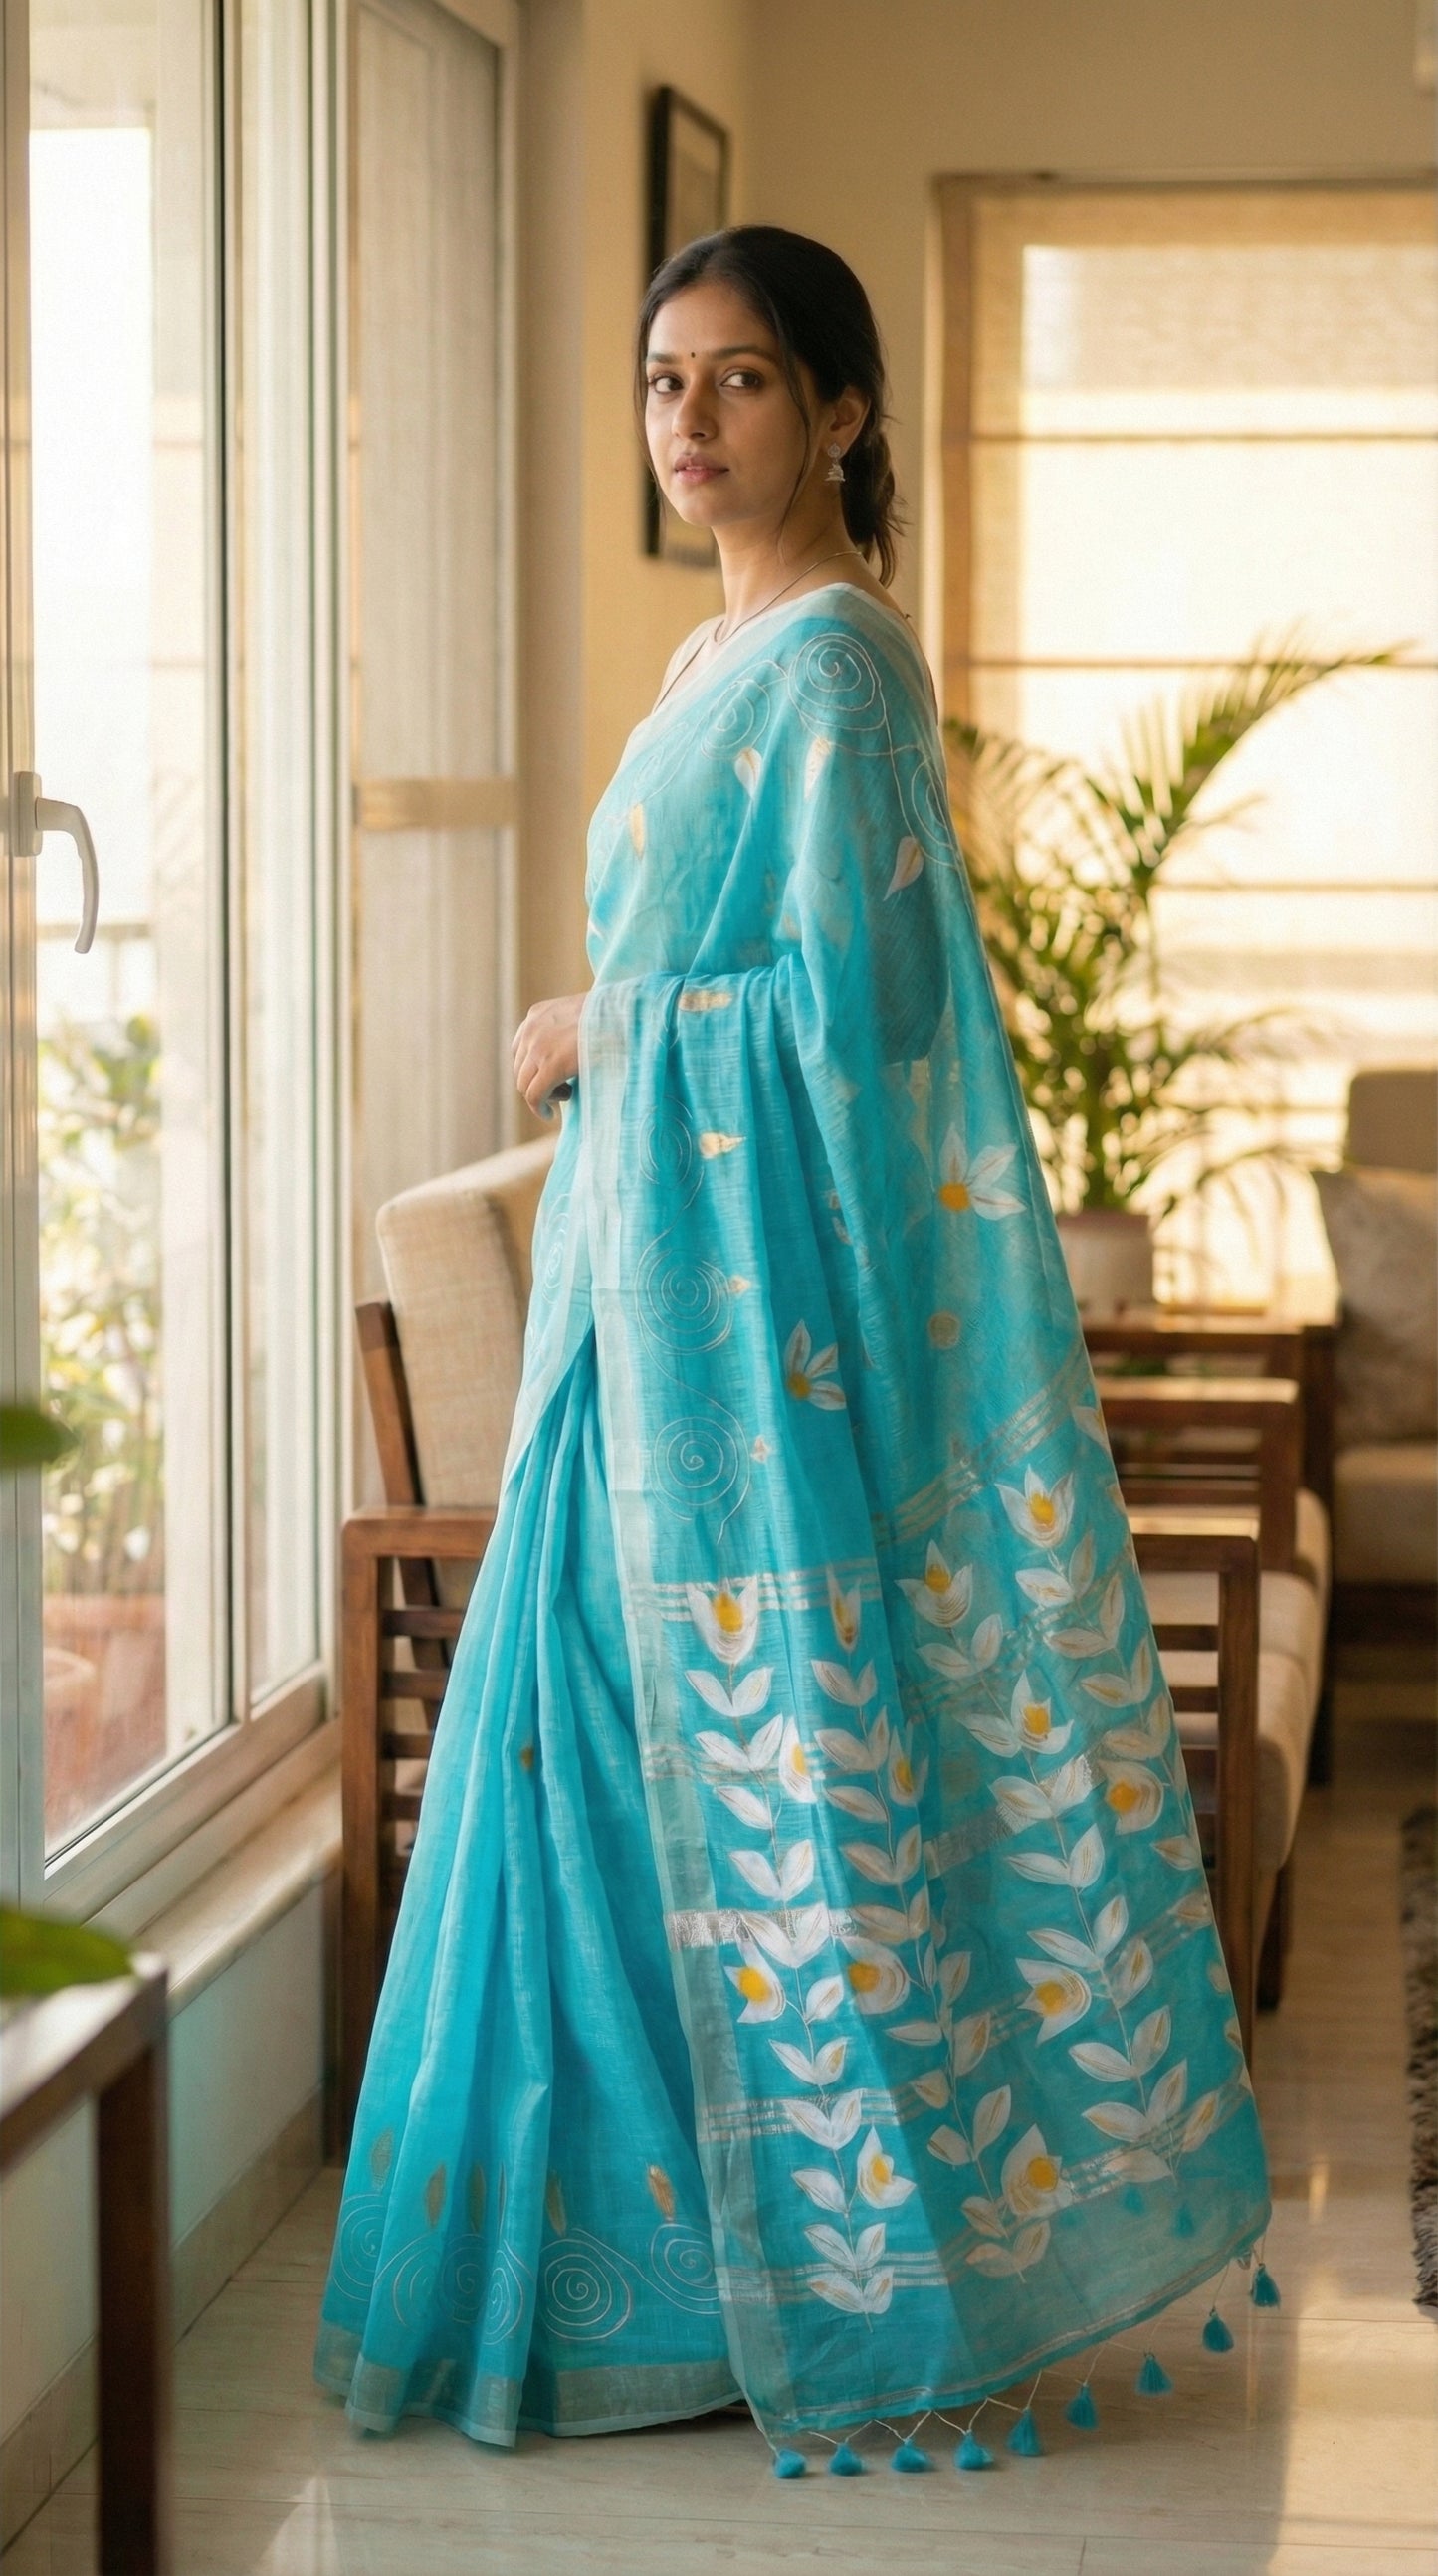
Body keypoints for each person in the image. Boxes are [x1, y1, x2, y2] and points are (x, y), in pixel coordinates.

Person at [315, 225, 1273, 2475]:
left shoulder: (832, 666)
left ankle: (769, 2289)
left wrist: (595, 1026)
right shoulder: (704, 657)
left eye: (741, 381)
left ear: (840, 411)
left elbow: (863, 1036)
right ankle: (639, 2290)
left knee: (730, 1779)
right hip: (640, 1332)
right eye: (664, 380)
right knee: (591, 1774)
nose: (689, 422)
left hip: (754, 1365)